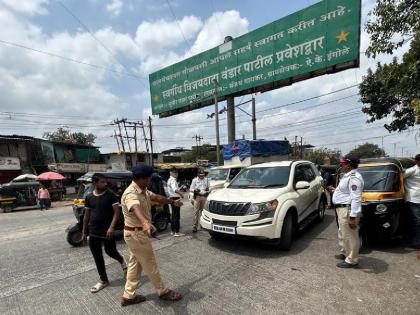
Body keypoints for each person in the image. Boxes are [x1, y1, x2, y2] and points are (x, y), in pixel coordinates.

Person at [120, 165, 183, 307]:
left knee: (134, 265)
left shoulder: (143, 190)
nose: (150, 181)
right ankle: (163, 291)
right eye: (148, 178)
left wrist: (172, 202)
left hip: (135, 235)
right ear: (142, 179)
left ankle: (128, 296)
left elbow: (157, 197)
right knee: (150, 264)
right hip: (137, 234)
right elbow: (134, 207)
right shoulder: (131, 194)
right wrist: (145, 223)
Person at [82, 173, 127, 293]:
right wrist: (84, 231)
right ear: (95, 183)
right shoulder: (89, 197)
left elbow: (117, 213)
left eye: (105, 181)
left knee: (110, 251)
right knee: (97, 257)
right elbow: (86, 216)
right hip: (94, 232)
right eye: (102, 182)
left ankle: (122, 260)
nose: (105, 183)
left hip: (107, 231)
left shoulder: (110, 195)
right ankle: (104, 280)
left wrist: (111, 227)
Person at [331, 154, 364, 268]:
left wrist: (353, 217)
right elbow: (347, 191)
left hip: (347, 209)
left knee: (350, 235)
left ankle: (352, 259)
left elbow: (356, 197)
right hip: (342, 208)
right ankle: (345, 252)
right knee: (343, 233)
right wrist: (336, 191)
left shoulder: (354, 177)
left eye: (343, 163)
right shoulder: (347, 175)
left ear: (349, 165)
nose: (341, 165)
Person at [404, 154, 420, 250]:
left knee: (416, 222)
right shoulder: (411, 170)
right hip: (413, 199)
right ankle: (416, 242)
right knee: (417, 222)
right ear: (417, 161)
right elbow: (400, 177)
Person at [190, 169, 210, 233]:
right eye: (200, 175)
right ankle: (194, 226)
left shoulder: (206, 180)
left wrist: (208, 191)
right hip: (197, 197)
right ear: (198, 174)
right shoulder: (194, 180)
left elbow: (210, 188)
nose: (202, 176)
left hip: (204, 197)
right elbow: (191, 189)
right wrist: (195, 190)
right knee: (195, 212)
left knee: (203, 211)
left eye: (203, 175)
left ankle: (202, 225)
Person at [167, 168, 185, 236]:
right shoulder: (173, 180)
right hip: (175, 198)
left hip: (172, 198)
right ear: (171, 173)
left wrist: (179, 189)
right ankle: (177, 232)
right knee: (176, 216)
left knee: (174, 215)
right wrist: (181, 194)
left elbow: (173, 189)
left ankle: (172, 231)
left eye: (177, 172)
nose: (176, 174)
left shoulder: (169, 179)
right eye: (174, 172)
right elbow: (174, 190)